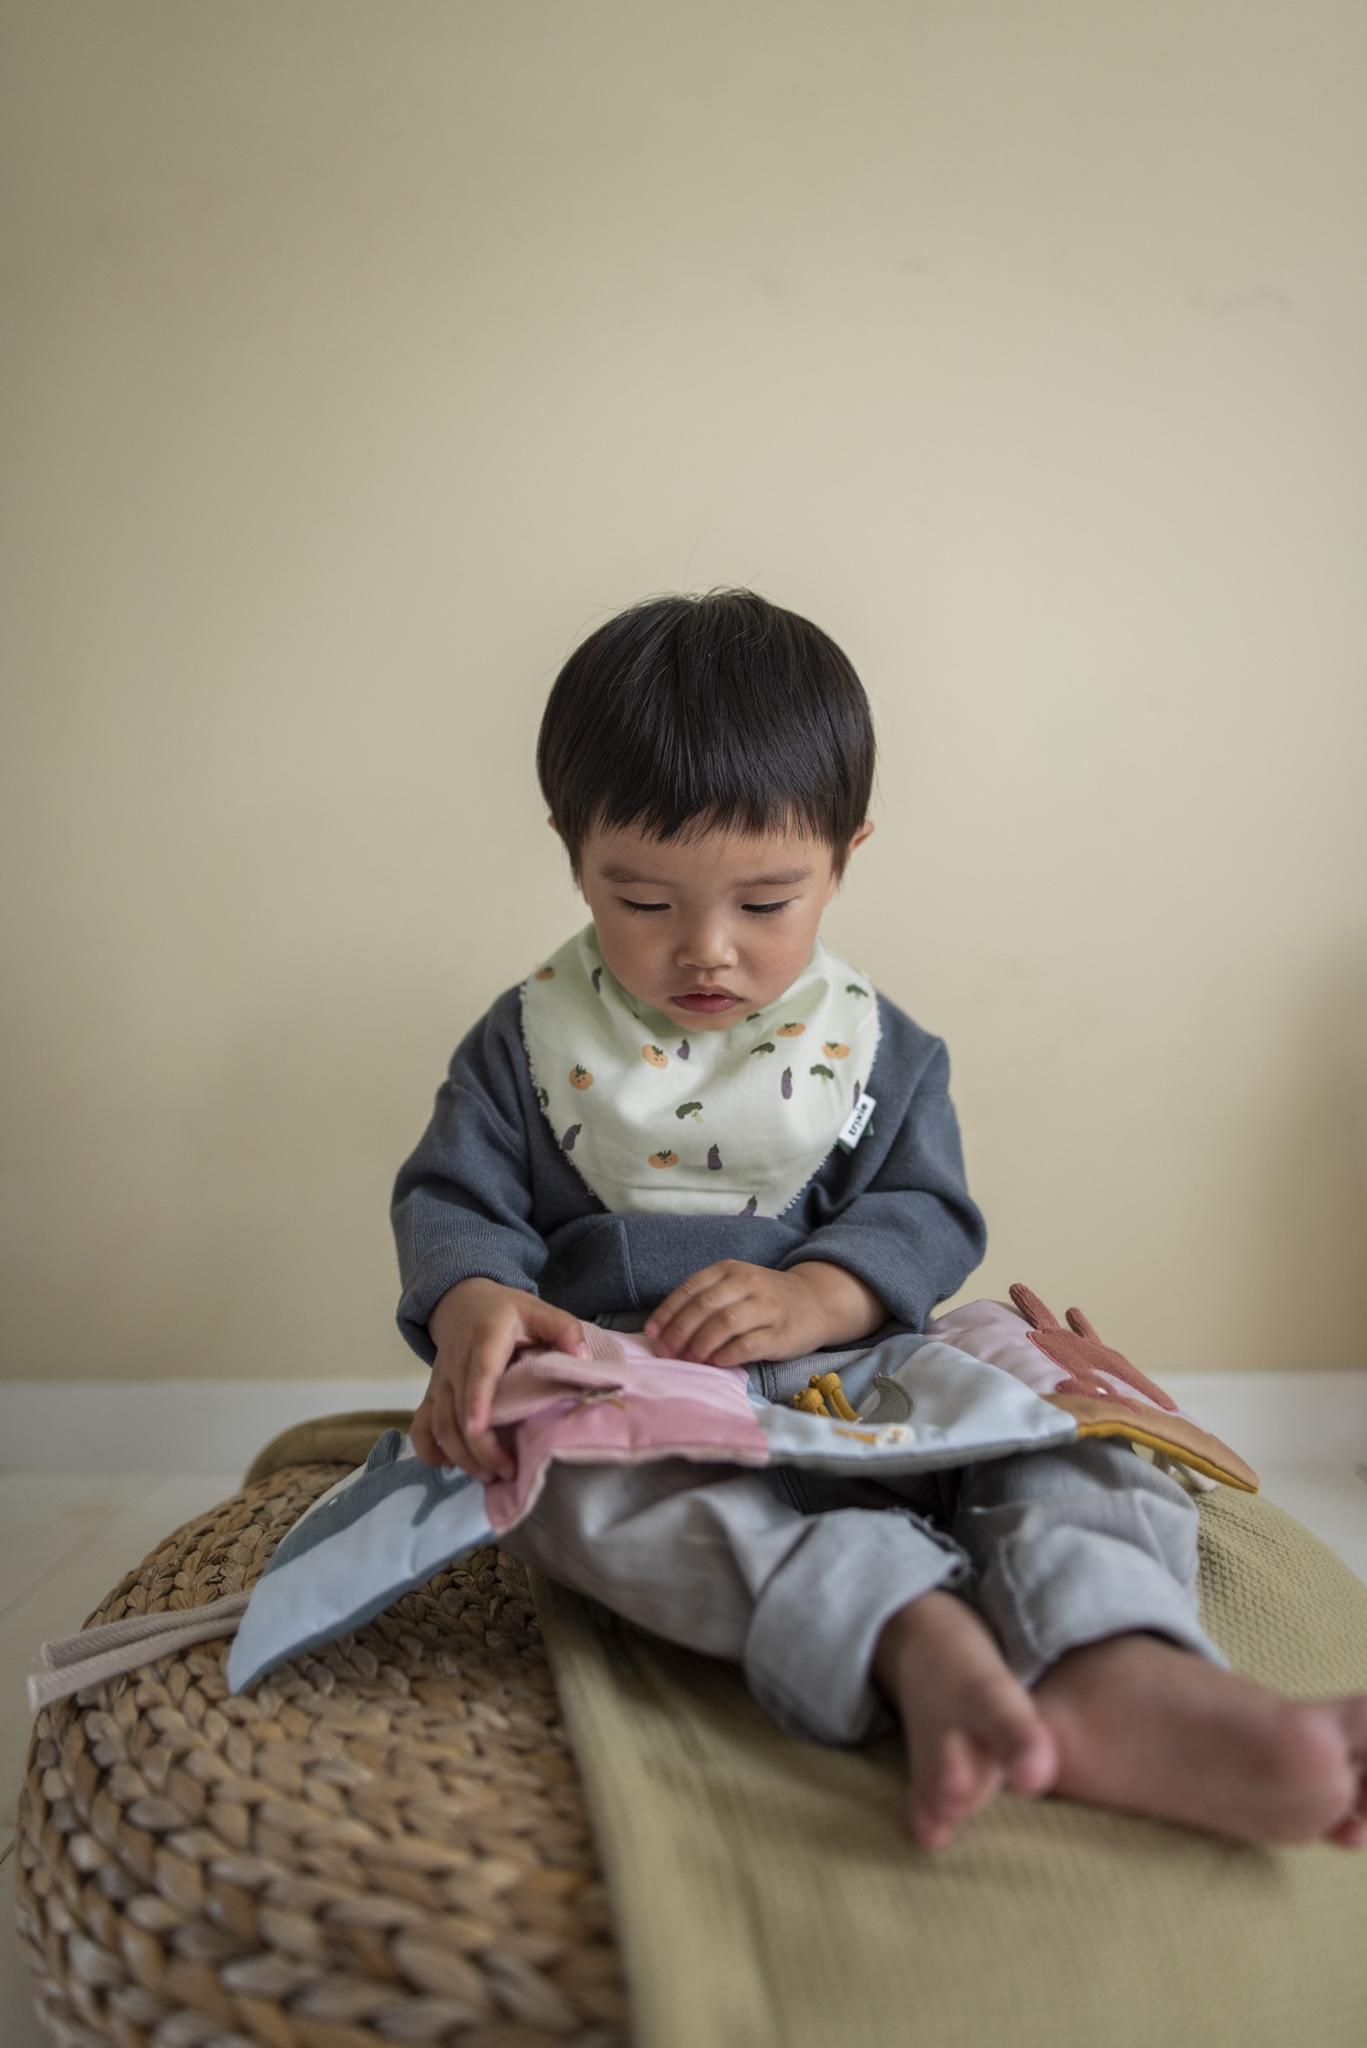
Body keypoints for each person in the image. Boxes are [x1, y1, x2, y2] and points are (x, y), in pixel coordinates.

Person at [391, 588, 1367, 1853]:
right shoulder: (522, 1044)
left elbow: (923, 1205)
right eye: (641, 902)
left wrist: (822, 1294)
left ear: (845, 854)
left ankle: (1114, 1655)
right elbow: (452, 1198)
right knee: (554, 1479)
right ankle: (906, 1629)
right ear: (571, 849)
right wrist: (475, 1297)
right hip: (640, 1387)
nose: (705, 950)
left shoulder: (876, 1049)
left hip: (866, 1370)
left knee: (1047, 1430)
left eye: (764, 902)